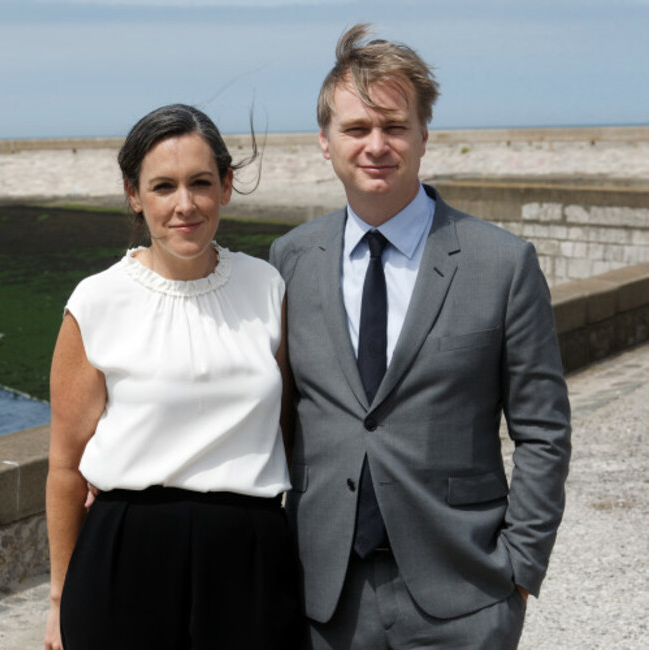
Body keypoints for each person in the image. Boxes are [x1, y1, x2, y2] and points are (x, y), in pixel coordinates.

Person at [269, 24, 571, 649]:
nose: (376, 145)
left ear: (423, 135)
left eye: (394, 126)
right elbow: (278, 415)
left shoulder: (502, 262)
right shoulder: (290, 258)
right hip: (324, 598)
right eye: (356, 129)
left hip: (465, 598)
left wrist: (519, 569)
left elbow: (543, 429)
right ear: (325, 143)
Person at [45, 104, 300, 650]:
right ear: (135, 195)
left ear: (226, 186)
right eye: (163, 186)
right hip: (122, 556)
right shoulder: (96, 300)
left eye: (201, 183)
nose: (184, 205)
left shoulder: (268, 287)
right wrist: (57, 601)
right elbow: (66, 467)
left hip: (250, 556)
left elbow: (283, 425)